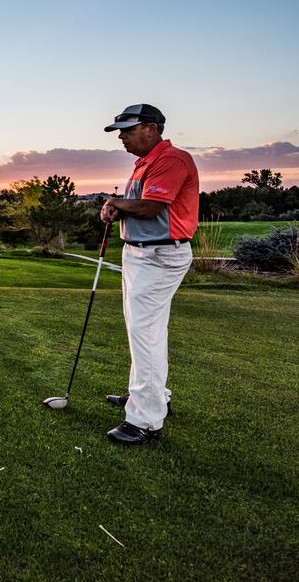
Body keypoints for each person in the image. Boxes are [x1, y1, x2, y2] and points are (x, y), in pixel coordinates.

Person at [100, 104, 199, 445]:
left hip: (160, 254)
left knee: (146, 334)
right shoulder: (143, 164)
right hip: (141, 254)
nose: (122, 137)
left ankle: (145, 420)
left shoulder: (171, 160)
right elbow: (133, 207)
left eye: (128, 129)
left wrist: (116, 202)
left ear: (152, 129)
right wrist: (114, 208)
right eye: (120, 131)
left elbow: (151, 207)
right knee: (145, 332)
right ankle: (148, 397)